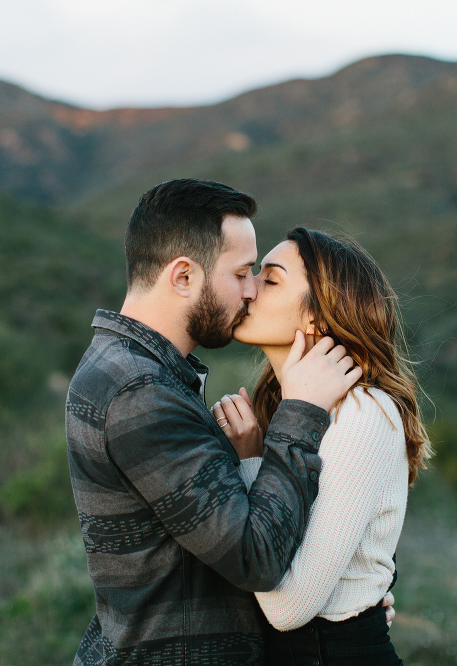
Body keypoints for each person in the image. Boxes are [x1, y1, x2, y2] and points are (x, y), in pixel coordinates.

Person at [65, 179, 364, 666]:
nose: (251, 292)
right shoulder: (140, 392)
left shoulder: (133, 367)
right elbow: (256, 558)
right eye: (243, 273)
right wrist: (301, 411)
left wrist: (349, 604)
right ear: (183, 276)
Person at [212, 228, 431, 666]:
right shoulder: (281, 406)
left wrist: (253, 463)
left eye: (270, 279)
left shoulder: (363, 414)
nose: (249, 287)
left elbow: (288, 610)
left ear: (319, 318)